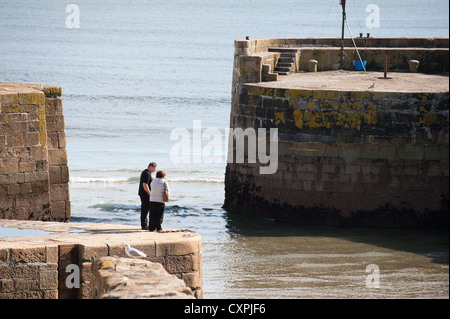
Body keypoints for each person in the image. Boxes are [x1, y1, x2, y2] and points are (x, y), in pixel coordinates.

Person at [138, 162, 157, 230]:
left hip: (143, 193)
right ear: (151, 167)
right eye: (154, 168)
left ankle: (144, 224)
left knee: (145, 209)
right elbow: (145, 184)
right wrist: (149, 193)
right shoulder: (147, 173)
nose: (154, 170)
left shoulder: (146, 172)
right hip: (145, 194)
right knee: (145, 209)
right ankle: (144, 225)